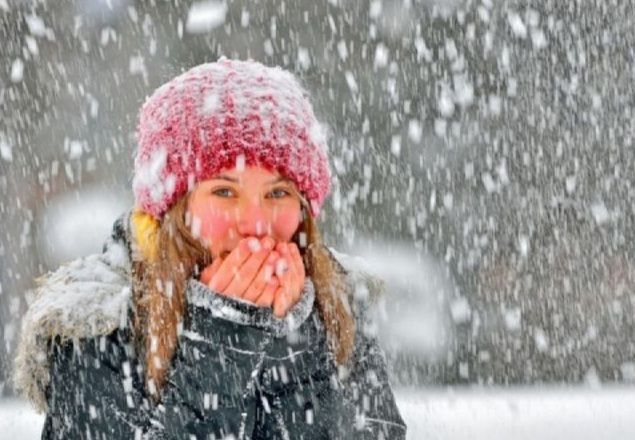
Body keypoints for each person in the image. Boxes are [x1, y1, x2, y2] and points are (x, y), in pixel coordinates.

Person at [13, 59, 407, 439]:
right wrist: (224, 340)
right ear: (173, 209)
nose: (255, 223)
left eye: (278, 192)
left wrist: (295, 339)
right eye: (224, 191)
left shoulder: (335, 303)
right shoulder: (98, 324)